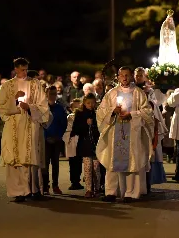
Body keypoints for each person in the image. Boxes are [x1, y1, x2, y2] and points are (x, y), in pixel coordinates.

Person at [96, 66, 154, 203]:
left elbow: (147, 112)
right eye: (122, 75)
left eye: (127, 75)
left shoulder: (138, 93)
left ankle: (130, 193)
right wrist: (112, 111)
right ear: (118, 76)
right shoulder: (111, 93)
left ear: (131, 76)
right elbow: (101, 112)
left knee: (131, 163)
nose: (125, 78)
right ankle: (111, 192)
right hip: (114, 131)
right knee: (112, 162)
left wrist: (132, 114)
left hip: (132, 133)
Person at [0, 58, 50, 202]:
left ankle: (31, 190)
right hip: (13, 126)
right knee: (14, 159)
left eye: (26, 69)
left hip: (30, 125)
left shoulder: (35, 84)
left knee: (29, 158)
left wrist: (30, 108)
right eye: (21, 70)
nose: (24, 72)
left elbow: (43, 106)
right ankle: (17, 192)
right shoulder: (7, 86)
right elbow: (1, 107)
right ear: (15, 69)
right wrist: (14, 100)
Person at [71, 94, 100, 198]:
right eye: (88, 103)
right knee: (88, 167)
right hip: (85, 144)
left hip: (96, 144)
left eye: (92, 103)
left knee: (96, 168)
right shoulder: (80, 114)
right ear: (84, 103)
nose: (91, 105)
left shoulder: (97, 113)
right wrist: (85, 124)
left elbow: (100, 129)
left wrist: (94, 125)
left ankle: (97, 188)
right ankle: (89, 189)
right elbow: (75, 130)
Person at [42, 86, 67, 195]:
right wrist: (46, 136)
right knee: (45, 163)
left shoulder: (59, 108)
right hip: (45, 139)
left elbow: (63, 124)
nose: (52, 96)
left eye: (54, 93)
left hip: (56, 139)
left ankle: (55, 185)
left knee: (55, 163)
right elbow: (41, 124)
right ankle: (45, 185)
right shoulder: (42, 108)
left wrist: (58, 136)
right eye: (50, 93)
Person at [62, 99, 84, 190]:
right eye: (74, 107)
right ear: (71, 108)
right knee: (73, 163)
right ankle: (74, 181)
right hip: (72, 141)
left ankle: (77, 180)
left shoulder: (81, 117)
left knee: (78, 162)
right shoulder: (69, 117)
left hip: (79, 141)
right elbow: (66, 130)